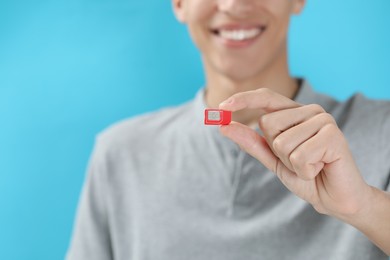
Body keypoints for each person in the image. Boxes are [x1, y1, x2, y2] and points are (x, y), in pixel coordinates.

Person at [66, 0, 390, 259]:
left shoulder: (382, 131)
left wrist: (364, 206)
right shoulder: (120, 154)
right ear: (179, 4)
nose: (234, 5)